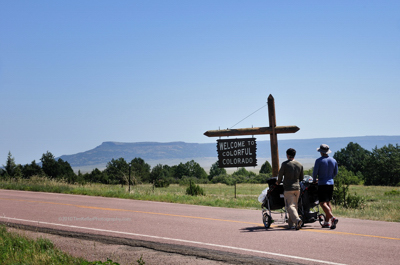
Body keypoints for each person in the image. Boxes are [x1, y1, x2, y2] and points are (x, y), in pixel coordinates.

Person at [276, 148, 304, 230]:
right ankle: (291, 224)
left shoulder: (285, 164)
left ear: (287, 155)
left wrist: (278, 182)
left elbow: (280, 175)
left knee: (290, 206)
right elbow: (301, 178)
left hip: (288, 188)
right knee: (295, 206)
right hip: (297, 188)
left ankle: (297, 220)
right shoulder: (300, 164)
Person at [313, 144, 339, 229]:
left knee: (322, 203)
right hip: (330, 183)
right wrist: (330, 178)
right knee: (328, 202)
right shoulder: (333, 160)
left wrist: (314, 180)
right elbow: (335, 172)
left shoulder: (319, 161)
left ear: (321, 152)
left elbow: (315, 173)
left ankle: (332, 218)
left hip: (322, 183)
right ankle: (327, 222)